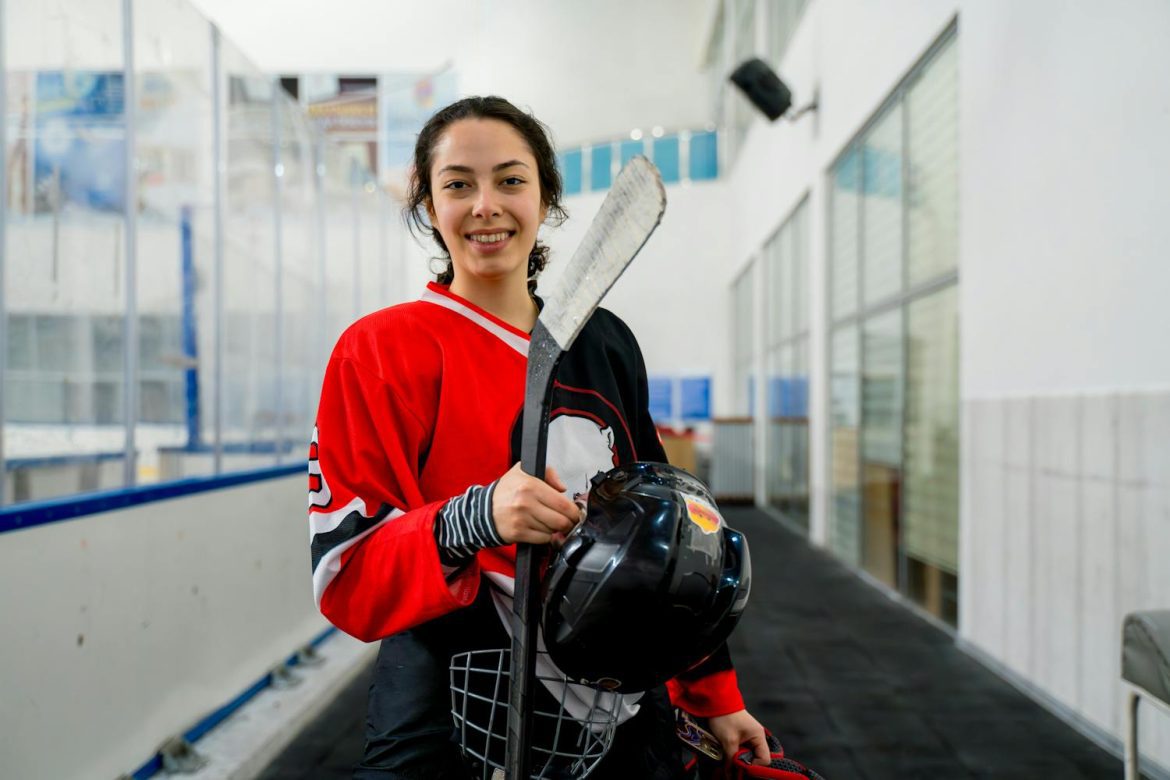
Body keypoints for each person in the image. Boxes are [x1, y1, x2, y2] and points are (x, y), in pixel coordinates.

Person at [308, 95, 768, 779]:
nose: (485, 204)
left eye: (511, 180)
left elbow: (671, 546)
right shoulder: (379, 351)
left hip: (620, 702)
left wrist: (714, 698)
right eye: (458, 184)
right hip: (452, 701)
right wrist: (476, 517)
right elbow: (345, 573)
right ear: (430, 207)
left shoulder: (604, 340)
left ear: (546, 197)